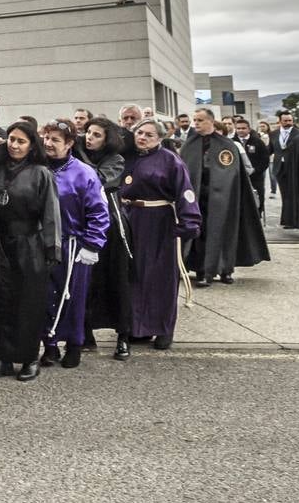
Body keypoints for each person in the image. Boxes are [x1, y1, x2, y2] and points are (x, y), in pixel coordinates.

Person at [0, 122, 60, 383]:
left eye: (21, 141)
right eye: (12, 139)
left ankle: (29, 358)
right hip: (0, 243)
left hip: (30, 244)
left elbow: (51, 214)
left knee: (28, 303)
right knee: (2, 301)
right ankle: (3, 358)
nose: (14, 145)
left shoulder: (41, 174)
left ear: (31, 145)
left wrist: (52, 248)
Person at [119, 119, 201, 350]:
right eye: (139, 132)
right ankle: (138, 327)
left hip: (159, 221)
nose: (142, 137)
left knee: (160, 276)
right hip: (131, 220)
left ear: (160, 138)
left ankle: (164, 329)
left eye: (149, 135)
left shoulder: (171, 161)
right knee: (134, 275)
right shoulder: (128, 157)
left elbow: (186, 192)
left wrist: (189, 222)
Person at [39, 120, 109, 371]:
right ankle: (49, 345)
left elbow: (100, 212)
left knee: (73, 297)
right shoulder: (38, 168)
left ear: (69, 144)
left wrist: (92, 245)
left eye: (55, 139)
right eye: (46, 137)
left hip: (73, 245)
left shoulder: (84, 173)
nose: (48, 143)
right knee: (46, 296)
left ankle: (75, 344)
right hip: (43, 244)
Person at [181, 109, 268, 286]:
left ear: (211, 122)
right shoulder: (189, 145)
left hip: (224, 199)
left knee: (225, 233)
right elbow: (183, 172)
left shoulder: (227, 145)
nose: (196, 123)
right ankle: (203, 270)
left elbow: (236, 174)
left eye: (200, 120)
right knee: (200, 235)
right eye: (194, 120)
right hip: (198, 199)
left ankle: (225, 270)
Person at [75, 117, 132, 360]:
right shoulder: (76, 154)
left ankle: (123, 336)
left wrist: (74, 160)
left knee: (117, 281)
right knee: (84, 283)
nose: (89, 137)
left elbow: (94, 181)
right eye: (88, 132)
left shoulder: (116, 160)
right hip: (82, 223)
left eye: (97, 134)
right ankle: (85, 333)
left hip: (110, 227)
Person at [234, 117, 270, 218]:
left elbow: (265, 160)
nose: (241, 130)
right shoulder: (231, 142)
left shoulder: (257, 142)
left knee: (258, 197)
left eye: (243, 128)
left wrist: (256, 171)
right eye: (238, 128)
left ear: (249, 129)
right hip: (239, 177)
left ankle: (258, 214)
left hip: (255, 177)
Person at [270, 110, 299, 202]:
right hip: (279, 168)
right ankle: (286, 214)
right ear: (280, 121)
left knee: (295, 193)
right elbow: (269, 150)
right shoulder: (273, 134)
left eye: (290, 120)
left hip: (294, 167)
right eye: (285, 121)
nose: (288, 123)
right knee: (284, 194)